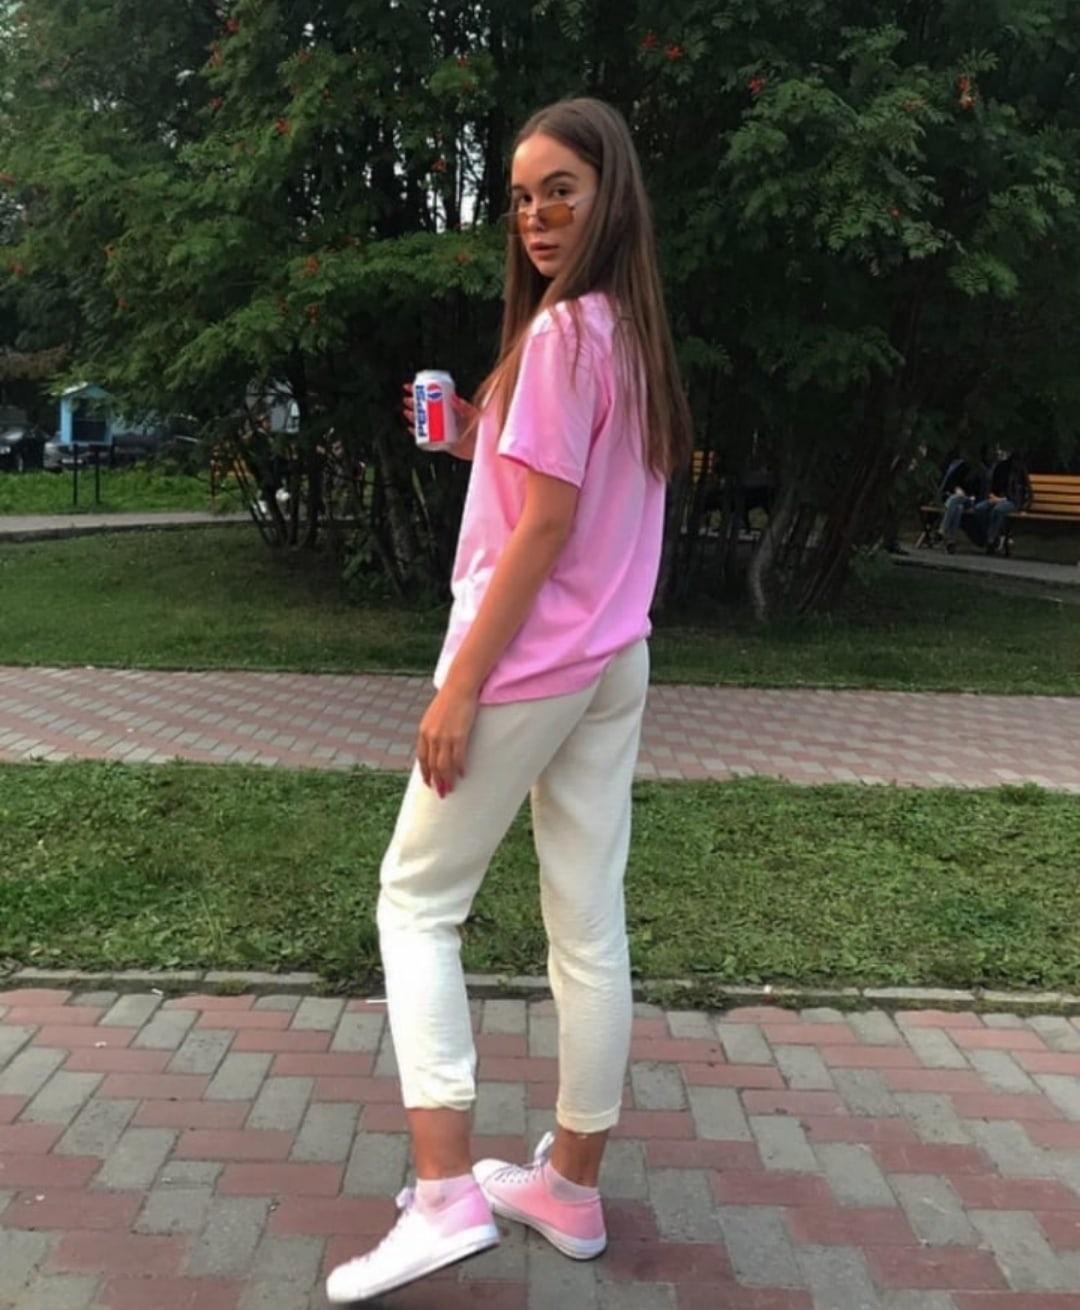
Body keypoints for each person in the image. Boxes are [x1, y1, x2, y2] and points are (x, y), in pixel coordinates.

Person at [325, 97, 692, 1304]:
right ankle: (569, 1187)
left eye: (560, 191)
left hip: (531, 664)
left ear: (608, 196)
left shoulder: (563, 333)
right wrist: (474, 438)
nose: (535, 215)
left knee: (416, 900)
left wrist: (460, 686)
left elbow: (543, 527)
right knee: (587, 921)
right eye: (523, 196)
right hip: (613, 656)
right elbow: (558, 480)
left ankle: (445, 1197)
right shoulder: (625, 333)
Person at [967, 449, 1031, 553]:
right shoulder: (1000, 467)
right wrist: (992, 496)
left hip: (1012, 501)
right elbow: (993, 487)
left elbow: (1025, 491)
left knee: (998, 509)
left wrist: (1024, 507)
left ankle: (991, 539)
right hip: (997, 499)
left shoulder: (1019, 469)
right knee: (979, 508)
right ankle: (990, 534)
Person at [938, 448, 990, 552]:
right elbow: (950, 483)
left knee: (957, 500)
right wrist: (957, 489)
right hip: (954, 499)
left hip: (969, 501)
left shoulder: (982, 472)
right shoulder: (961, 466)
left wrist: (972, 499)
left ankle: (942, 529)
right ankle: (951, 541)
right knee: (958, 508)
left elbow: (981, 493)